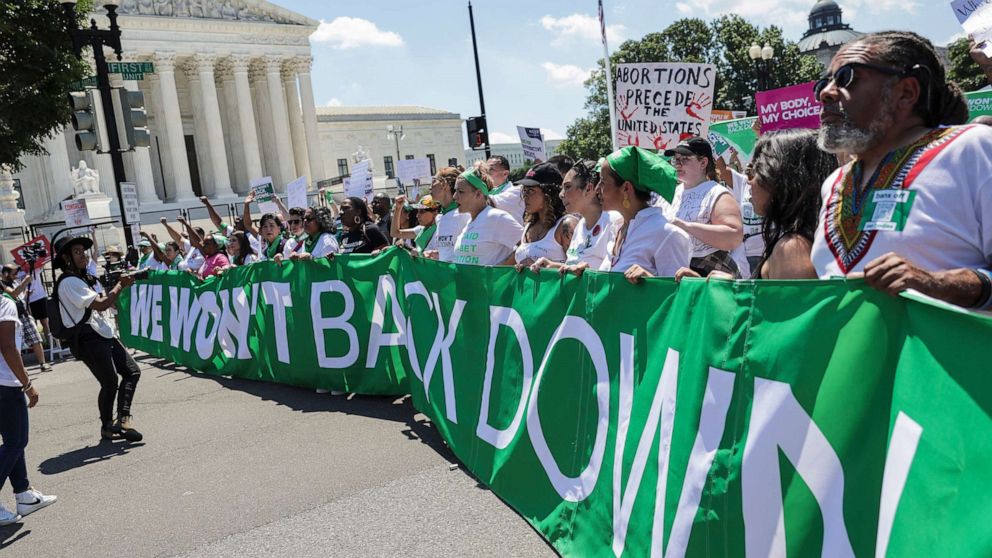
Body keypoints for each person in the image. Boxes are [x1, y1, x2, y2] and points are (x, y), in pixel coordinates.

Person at [811, 31, 992, 309]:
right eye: (823, 82)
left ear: (906, 92)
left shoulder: (973, 149)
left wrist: (935, 284)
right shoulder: (834, 183)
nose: (825, 93)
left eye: (848, 77)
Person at [679, 129, 837, 281]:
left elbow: (784, 308)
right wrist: (728, 286)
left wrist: (732, 290)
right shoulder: (795, 242)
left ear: (782, 180)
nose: (749, 180)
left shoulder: (793, 250)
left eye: (756, 171)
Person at [54, 235, 143, 442]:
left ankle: (123, 419)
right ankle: (107, 426)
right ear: (66, 259)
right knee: (110, 382)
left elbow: (104, 302)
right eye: (77, 252)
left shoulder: (85, 278)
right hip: (88, 338)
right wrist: (120, 285)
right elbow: (101, 304)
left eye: (83, 251)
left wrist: (118, 284)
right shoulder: (68, 282)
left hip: (102, 332)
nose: (84, 255)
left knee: (132, 372)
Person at [0, 290, 57, 526]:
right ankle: (23, 494)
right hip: (5, 383)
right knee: (16, 442)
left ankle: (24, 494)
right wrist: (28, 384)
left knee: (14, 440)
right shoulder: (4, 304)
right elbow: (8, 346)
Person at [596, 146, 692, 283]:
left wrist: (651, 282)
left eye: (603, 182)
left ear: (626, 188)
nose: (596, 189)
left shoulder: (667, 234)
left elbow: (678, 297)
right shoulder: (617, 227)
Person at [660, 137, 748, 278]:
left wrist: (686, 226)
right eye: (676, 160)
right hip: (675, 268)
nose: (678, 164)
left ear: (703, 162)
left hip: (708, 271)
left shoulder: (717, 193)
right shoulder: (672, 193)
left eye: (685, 159)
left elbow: (734, 235)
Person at [532, 159, 622, 274]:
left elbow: (615, 274)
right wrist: (553, 266)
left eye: (568, 187)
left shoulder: (614, 221)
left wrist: (586, 270)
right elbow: (576, 266)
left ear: (589, 189)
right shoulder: (580, 225)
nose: (561, 195)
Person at [450, 166, 524, 266]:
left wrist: (499, 272)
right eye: (455, 191)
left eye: (461, 192)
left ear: (478, 194)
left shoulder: (496, 217)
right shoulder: (469, 221)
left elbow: (527, 246)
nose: (455, 196)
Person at [512, 162, 577, 266]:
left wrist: (548, 267)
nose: (525, 196)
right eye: (524, 190)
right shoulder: (528, 226)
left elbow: (579, 270)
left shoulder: (566, 225)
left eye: (531, 190)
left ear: (549, 194)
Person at [718, 149, 765, 272]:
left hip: (767, 252)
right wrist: (711, 141)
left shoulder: (777, 185)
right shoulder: (743, 182)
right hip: (744, 254)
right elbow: (722, 171)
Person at [1, 266, 51, 372]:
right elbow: (13, 293)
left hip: (24, 314)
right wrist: (25, 281)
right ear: (6, 274)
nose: (16, 276)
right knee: (16, 344)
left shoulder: (14, 282)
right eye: (14, 274)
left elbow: (18, 295)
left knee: (36, 339)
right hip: (12, 318)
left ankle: (43, 363)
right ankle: (20, 369)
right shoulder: (2, 284)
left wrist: (25, 294)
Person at [423, 167, 471, 262]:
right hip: (445, 274)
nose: (429, 187)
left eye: (433, 182)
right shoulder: (440, 217)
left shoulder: (464, 214)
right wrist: (437, 254)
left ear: (444, 184)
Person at [240, 191, 289, 262]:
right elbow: (248, 225)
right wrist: (246, 205)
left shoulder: (286, 244)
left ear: (279, 229)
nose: (268, 229)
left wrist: (278, 202)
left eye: (271, 225)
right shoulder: (265, 246)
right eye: (265, 227)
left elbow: (288, 218)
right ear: (261, 231)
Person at [486, 155, 526, 226]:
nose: (486, 173)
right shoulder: (488, 191)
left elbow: (485, 203)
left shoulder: (516, 192)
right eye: (485, 170)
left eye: (490, 169)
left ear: (505, 174)